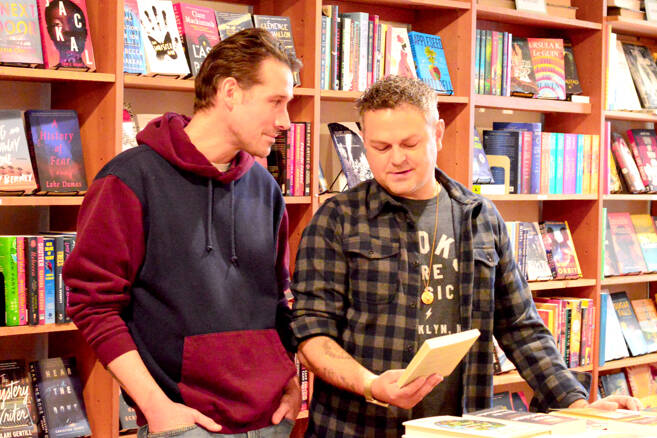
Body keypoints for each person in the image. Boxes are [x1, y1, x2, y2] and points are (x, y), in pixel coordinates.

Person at [289, 75, 641, 437]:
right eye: (380, 147)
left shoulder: (480, 217)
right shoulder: (338, 219)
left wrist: (576, 404)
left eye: (410, 143)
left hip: (460, 427)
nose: (396, 159)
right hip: (357, 428)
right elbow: (312, 333)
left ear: (438, 132)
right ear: (365, 141)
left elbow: (520, 325)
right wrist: (372, 385)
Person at [63, 28, 302, 437]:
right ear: (230, 92)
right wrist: (156, 407)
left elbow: (276, 300)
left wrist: (290, 382)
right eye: (276, 102)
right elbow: (92, 305)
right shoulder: (130, 179)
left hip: (272, 421)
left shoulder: (265, 188)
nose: (286, 121)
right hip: (184, 424)